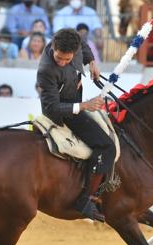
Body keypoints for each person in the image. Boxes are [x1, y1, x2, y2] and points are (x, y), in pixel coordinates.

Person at [36, 28, 114, 222]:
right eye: (58, 58)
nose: (61, 62)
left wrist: (92, 62)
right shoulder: (46, 69)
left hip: (77, 100)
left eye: (67, 59)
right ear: (53, 47)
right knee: (106, 146)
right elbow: (51, 108)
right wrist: (84, 106)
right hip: (64, 113)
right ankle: (85, 198)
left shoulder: (75, 44)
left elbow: (84, 46)